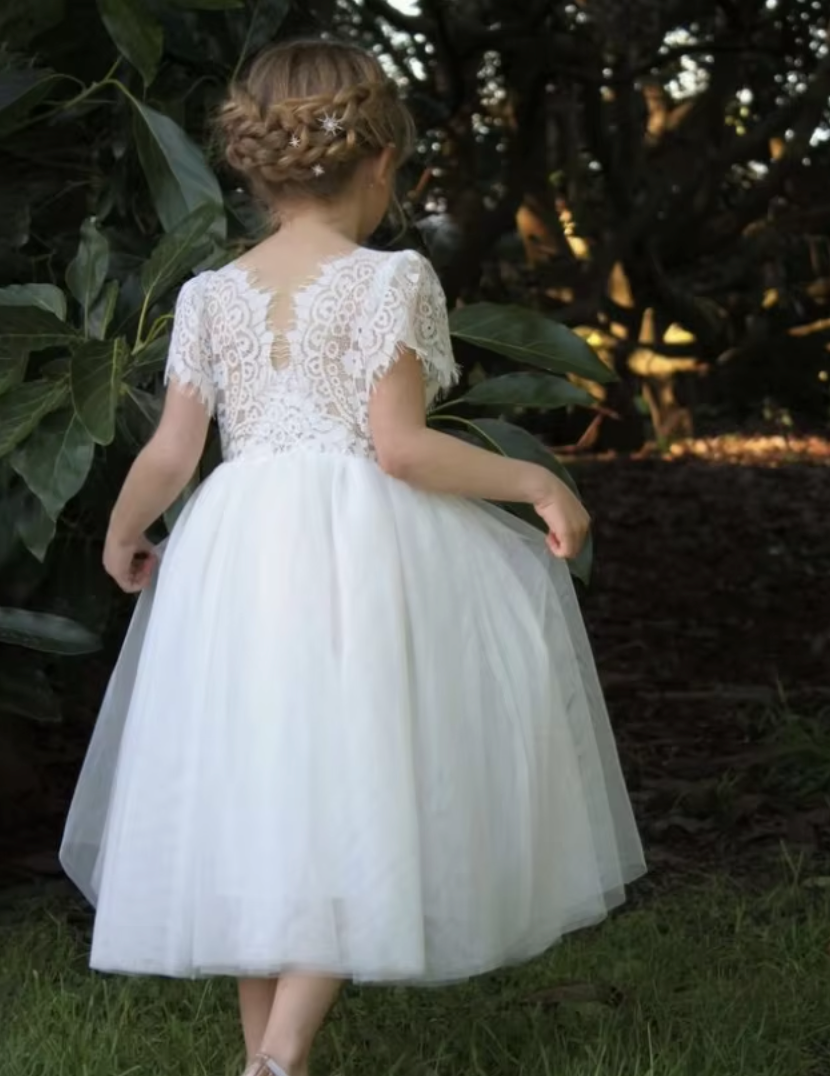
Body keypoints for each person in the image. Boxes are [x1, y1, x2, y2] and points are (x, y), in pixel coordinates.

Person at [59, 38, 645, 1076]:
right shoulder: (392, 279)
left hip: (233, 553)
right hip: (352, 551)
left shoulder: (208, 293)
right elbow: (403, 448)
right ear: (380, 162)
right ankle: (278, 1057)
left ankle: (270, 1058)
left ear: (254, 166)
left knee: (262, 792)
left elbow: (172, 448)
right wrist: (537, 481)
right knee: (348, 784)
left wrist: (120, 528)